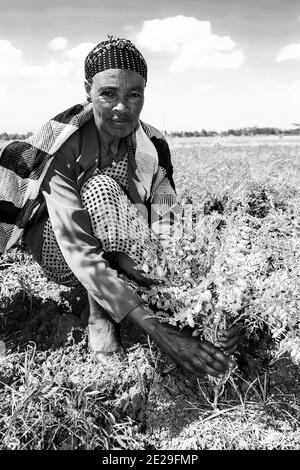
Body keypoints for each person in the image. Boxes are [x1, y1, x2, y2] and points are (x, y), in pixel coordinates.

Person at [0, 36, 239, 377]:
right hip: (62, 252)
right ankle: (99, 315)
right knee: (100, 186)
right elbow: (79, 247)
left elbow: (166, 225)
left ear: (145, 93)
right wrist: (159, 331)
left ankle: (146, 299)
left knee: (173, 256)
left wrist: (205, 308)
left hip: (120, 244)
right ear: (88, 90)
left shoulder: (150, 146)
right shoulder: (64, 146)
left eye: (133, 94)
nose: (121, 107)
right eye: (108, 93)